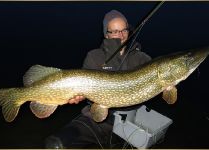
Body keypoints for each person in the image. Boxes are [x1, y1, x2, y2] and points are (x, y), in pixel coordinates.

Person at [44, 10, 151, 149]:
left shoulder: (143, 59)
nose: (121, 35)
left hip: (131, 119)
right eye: (114, 31)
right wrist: (78, 97)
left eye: (124, 30)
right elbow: (84, 92)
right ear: (106, 34)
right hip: (97, 119)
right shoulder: (94, 56)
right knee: (56, 144)